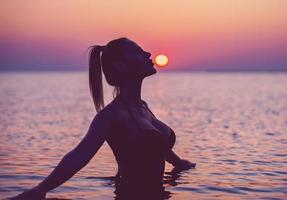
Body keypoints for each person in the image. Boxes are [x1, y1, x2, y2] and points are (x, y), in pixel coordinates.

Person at [9, 37, 196, 200]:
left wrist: (178, 163)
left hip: (160, 195)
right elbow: (79, 154)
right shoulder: (111, 115)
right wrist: (40, 190)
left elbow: (154, 145)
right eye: (138, 52)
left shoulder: (143, 106)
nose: (147, 53)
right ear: (120, 65)